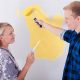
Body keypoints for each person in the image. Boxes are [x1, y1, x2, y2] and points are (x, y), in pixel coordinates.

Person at [35, 1, 80, 80]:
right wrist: (43, 24)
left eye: (67, 18)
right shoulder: (74, 35)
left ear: (78, 19)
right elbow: (61, 33)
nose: (65, 21)